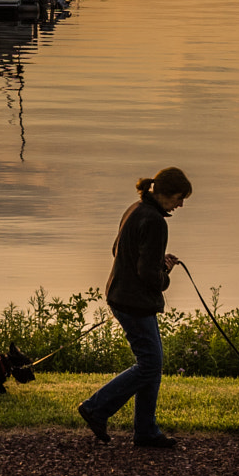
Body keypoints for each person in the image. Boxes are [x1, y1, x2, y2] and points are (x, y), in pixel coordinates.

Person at [77, 166, 192, 448]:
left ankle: (146, 431)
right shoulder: (155, 221)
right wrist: (164, 274)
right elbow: (148, 275)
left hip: (121, 295)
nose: (180, 204)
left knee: (152, 364)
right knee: (151, 364)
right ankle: (96, 408)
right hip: (134, 302)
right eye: (180, 197)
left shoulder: (136, 209)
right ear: (167, 193)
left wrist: (155, 262)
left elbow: (118, 249)